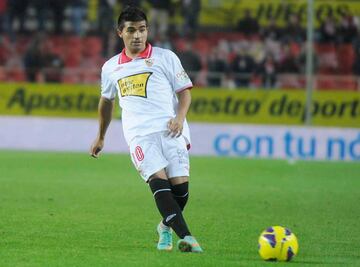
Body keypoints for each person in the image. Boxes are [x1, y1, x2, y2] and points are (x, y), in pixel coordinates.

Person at [90, 6, 203, 253]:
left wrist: (180, 118)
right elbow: (106, 102)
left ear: (147, 30)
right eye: (131, 30)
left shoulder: (166, 57)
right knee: (158, 183)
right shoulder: (110, 67)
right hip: (139, 136)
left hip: (171, 130)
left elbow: (184, 93)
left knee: (181, 192)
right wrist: (100, 136)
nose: (138, 35)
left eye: (142, 29)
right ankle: (188, 238)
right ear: (120, 32)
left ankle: (164, 226)